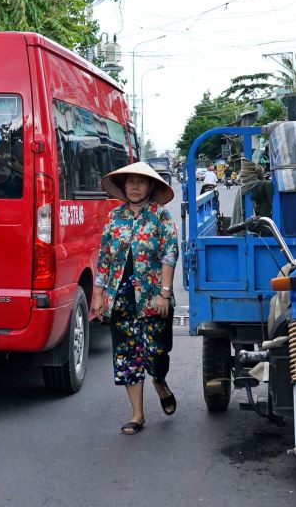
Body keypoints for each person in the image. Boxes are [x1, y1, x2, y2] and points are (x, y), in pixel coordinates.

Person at [89, 162, 179, 435]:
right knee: (128, 356)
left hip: (154, 297)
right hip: (122, 297)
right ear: (124, 186)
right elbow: (104, 257)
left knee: (156, 353)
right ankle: (137, 415)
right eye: (131, 182)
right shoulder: (114, 218)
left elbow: (169, 255)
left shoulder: (160, 217)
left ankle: (160, 382)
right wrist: (98, 294)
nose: (136, 187)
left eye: (141, 182)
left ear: (151, 186)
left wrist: (164, 293)